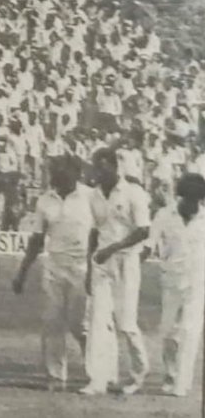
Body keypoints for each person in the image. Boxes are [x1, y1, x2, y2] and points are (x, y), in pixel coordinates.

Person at [12, 153, 91, 391]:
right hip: (54, 266)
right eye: (51, 170)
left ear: (74, 173)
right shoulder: (45, 200)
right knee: (52, 322)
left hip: (83, 268)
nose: (52, 175)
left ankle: (97, 370)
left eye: (58, 171)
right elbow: (37, 239)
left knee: (81, 325)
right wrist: (22, 272)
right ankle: (56, 375)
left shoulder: (90, 197)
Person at [81, 147, 150, 395]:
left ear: (113, 166)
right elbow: (94, 232)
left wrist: (114, 248)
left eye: (101, 167)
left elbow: (143, 230)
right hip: (101, 262)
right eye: (95, 167)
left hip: (126, 261)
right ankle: (98, 379)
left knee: (126, 323)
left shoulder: (133, 193)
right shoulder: (94, 196)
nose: (97, 173)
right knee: (98, 321)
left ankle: (139, 373)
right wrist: (90, 270)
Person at [142, 173, 205, 397]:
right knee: (168, 333)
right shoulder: (164, 215)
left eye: (198, 201)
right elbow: (149, 243)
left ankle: (182, 382)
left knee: (189, 331)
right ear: (181, 197)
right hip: (170, 281)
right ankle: (170, 375)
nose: (193, 205)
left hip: (198, 284)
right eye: (189, 200)